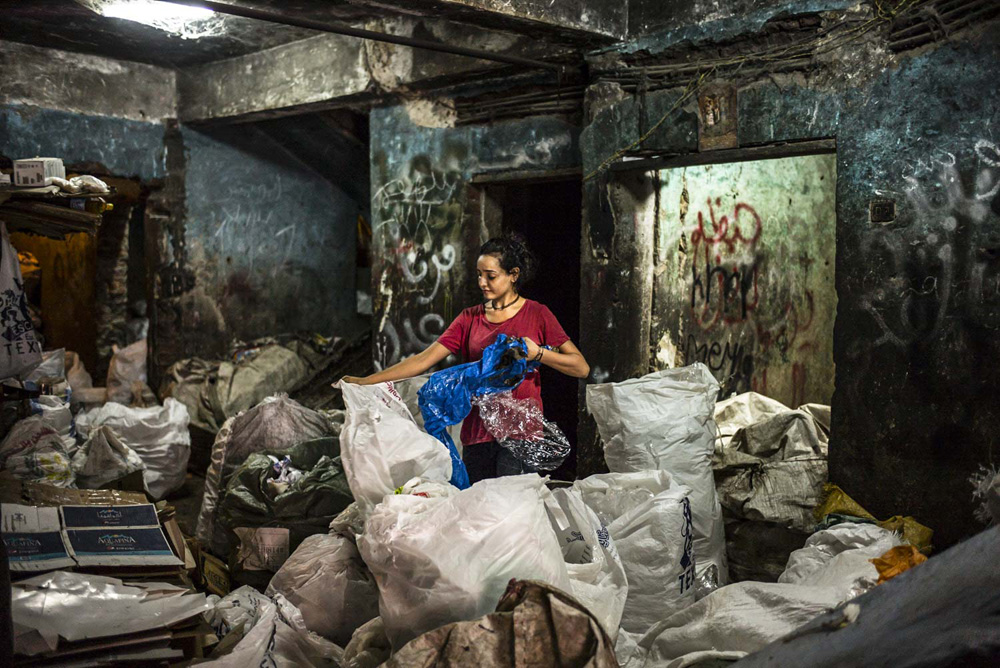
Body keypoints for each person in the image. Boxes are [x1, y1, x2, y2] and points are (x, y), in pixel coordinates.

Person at [342, 234, 590, 483]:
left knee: (511, 509)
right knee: (478, 513)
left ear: (513, 274)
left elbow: (580, 368)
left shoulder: (537, 314)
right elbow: (423, 360)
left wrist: (538, 353)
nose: (482, 282)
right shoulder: (469, 318)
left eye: (490, 276)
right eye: (479, 274)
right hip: (477, 435)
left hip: (520, 434)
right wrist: (366, 381)